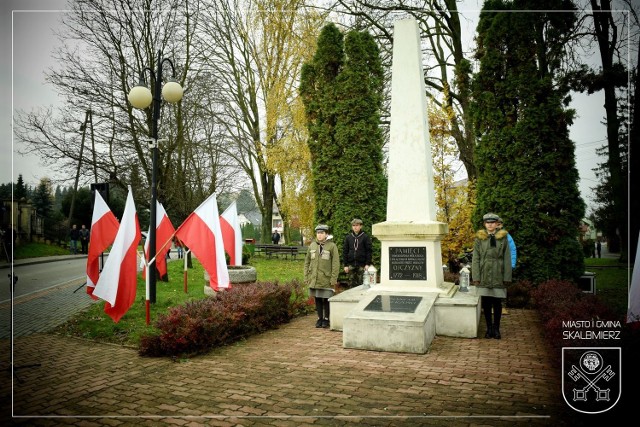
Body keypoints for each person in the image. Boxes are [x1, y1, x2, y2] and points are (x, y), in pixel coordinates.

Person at [472, 213, 512, 339]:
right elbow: (476, 258)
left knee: (497, 303)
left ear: (496, 224)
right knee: (487, 303)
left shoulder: (503, 238)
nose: (490, 224)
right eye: (488, 223)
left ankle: (496, 329)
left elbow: (507, 258)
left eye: (492, 222)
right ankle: (489, 329)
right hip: (484, 274)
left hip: (498, 274)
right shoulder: (480, 238)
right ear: (485, 224)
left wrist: (507, 277)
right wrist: (476, 276)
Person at [305, 224, 340, 329]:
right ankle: (320, 318)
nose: (319, 235)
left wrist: (334, 278)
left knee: (326, 299)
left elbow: (335, 263)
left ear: (326, 234)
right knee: (318, 299)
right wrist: (306, 277)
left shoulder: (332, 246)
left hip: (326, 278)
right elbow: (307, 262)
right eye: (318, 233)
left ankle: (326, 319)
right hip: (314, 278)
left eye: (322, 233)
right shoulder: (312, 246)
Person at [342, 218, 373, 289]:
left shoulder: (365, 237)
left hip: (362, 265)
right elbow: (345, 251)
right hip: (351, 264)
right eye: (353, 225)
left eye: (357, 225)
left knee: (362, 284)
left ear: (361, 226)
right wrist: (345, 265)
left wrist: (367, 264)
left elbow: (369, 251)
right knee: (351, 284)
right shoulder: (348, 237)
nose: (355, 227)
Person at [496, 216, 516, 315]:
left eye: (499, 224)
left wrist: (511, 265)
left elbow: (512, 251)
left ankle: (503, 306)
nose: (498, 226)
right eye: (497, 224)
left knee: (502, 287)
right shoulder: (489, 235)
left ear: (502, 225)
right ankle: (491, 306)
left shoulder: (507, 236)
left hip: (503, 266)